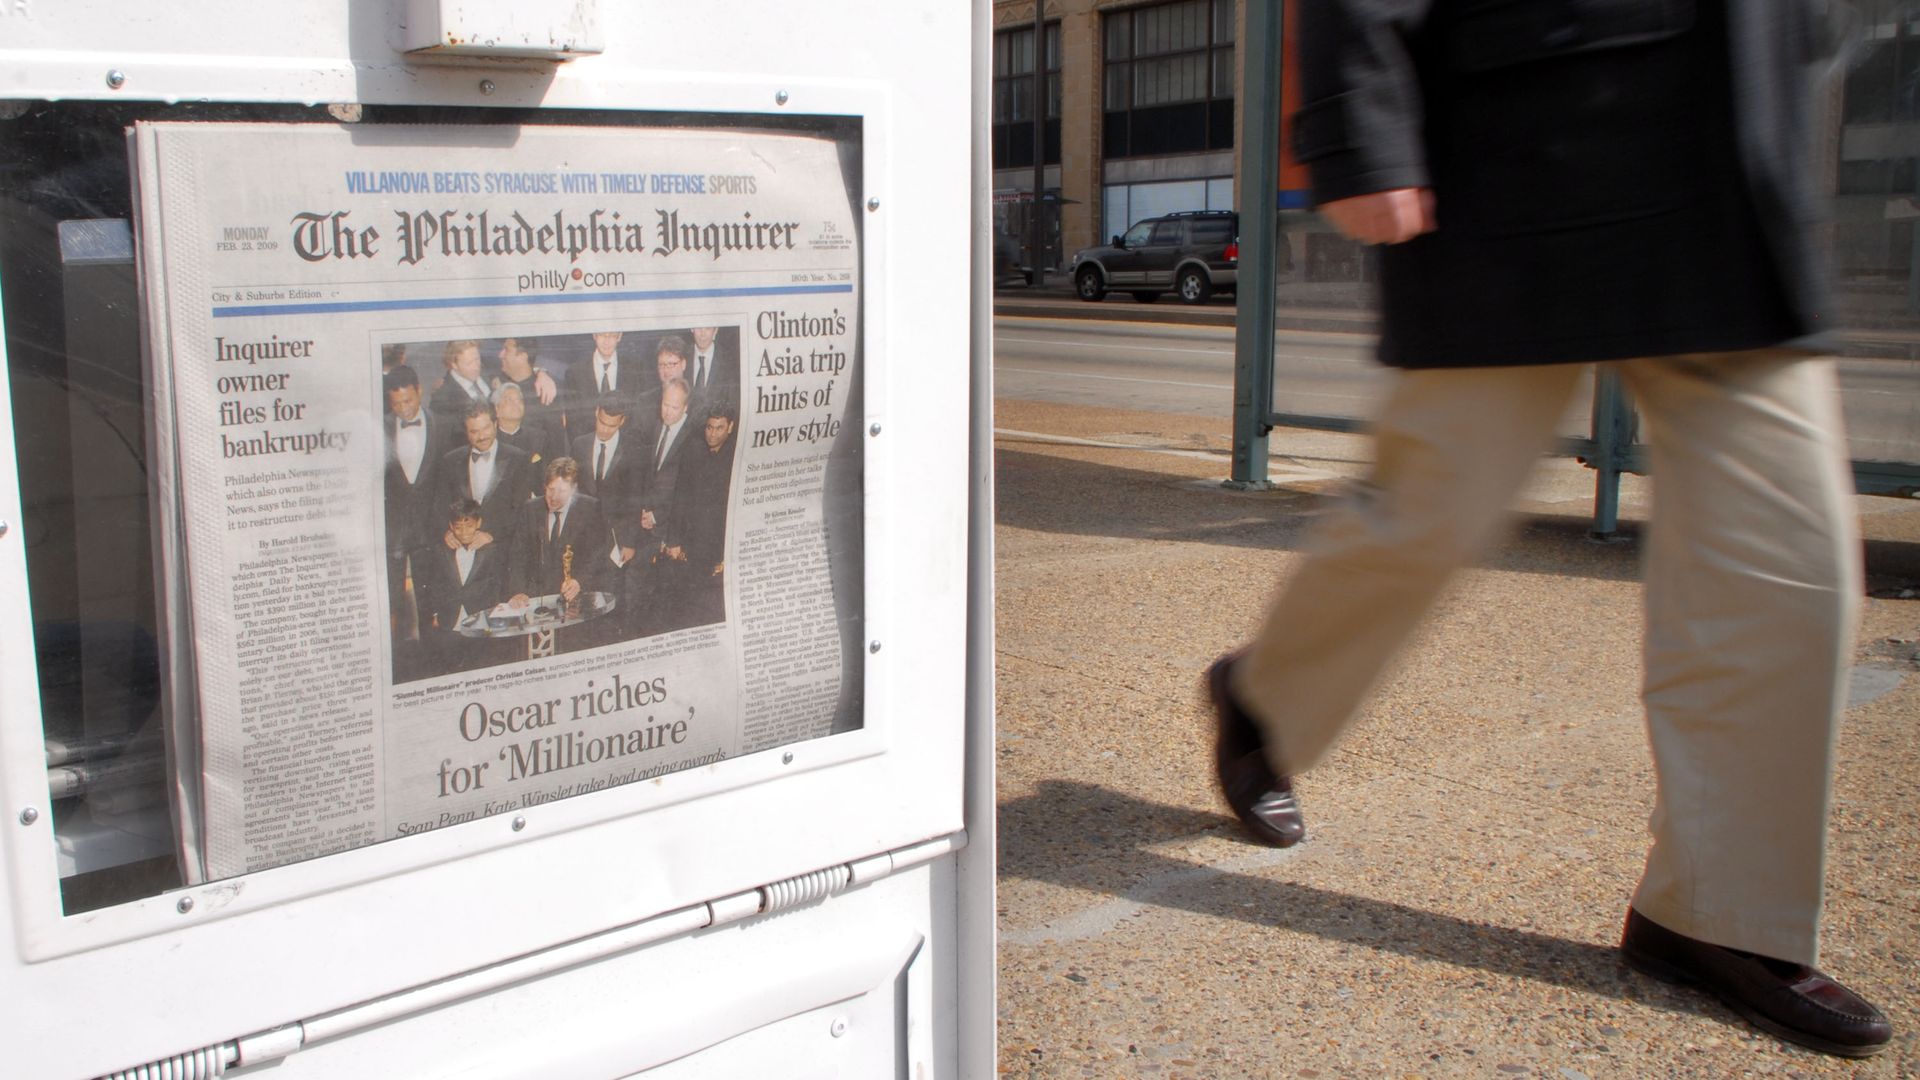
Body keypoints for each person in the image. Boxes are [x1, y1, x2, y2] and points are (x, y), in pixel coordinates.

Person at [1208, 0, 1891, 1059]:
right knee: (1426, 516)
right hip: (1512, 152)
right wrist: (1358, 127)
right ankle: (1267, 702)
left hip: (1726, 163)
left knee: (1787, 566)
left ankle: (1717, 913)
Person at [507, 457, 616, 652]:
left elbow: (598, 553)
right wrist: (518, 590)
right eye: (550, 490)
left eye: (562, 491)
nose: (554, 497)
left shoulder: (590, 508)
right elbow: (518, 555)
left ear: (574, 489)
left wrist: (579, 581)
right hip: (536, 599)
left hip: (574, 599)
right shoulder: (530, 508)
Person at [659, 402, 737, 630]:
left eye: (719, 428)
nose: (712, 434)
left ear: (730, 427)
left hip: (720, 543)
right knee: (685, 603)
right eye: (709, 427)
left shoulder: (735, 456)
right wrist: (673, 540)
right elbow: (680, 496)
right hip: (691, 542)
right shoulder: (693, 451)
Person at [412, 497, 509, 674]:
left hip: (481, 620)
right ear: (450, 526)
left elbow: (498, 583)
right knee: (449, 667)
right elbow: (435, 584)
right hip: (449, 621)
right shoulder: (441, 550)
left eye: (469, 526)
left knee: (480, 667)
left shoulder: (491, 549)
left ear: (478, 523)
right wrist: (435, 613)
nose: (464, 532)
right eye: (458, 527)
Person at [436, 401, 534, 562]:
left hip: (503, 551)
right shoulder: (451, 460)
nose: (481, 436)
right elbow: (439, 506)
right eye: (474, 431)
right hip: (461, 550)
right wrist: (447, 532)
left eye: (486, 428)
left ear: (495, 424)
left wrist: (491, 534)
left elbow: (521, 509)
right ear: (466, 433)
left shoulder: (518, 458)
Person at [562, 330, 628, 435]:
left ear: (619, 336)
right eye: (602, 334)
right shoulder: (575, 373)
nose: (606, 341)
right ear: (594, 335)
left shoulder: (635, 369)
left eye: (612, 335)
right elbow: (573, 423)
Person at [429, 339, 492, 429]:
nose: (476, 367)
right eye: (469, 363)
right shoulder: (442, 399)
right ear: (454, 364)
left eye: (477, 359)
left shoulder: (489, 377)